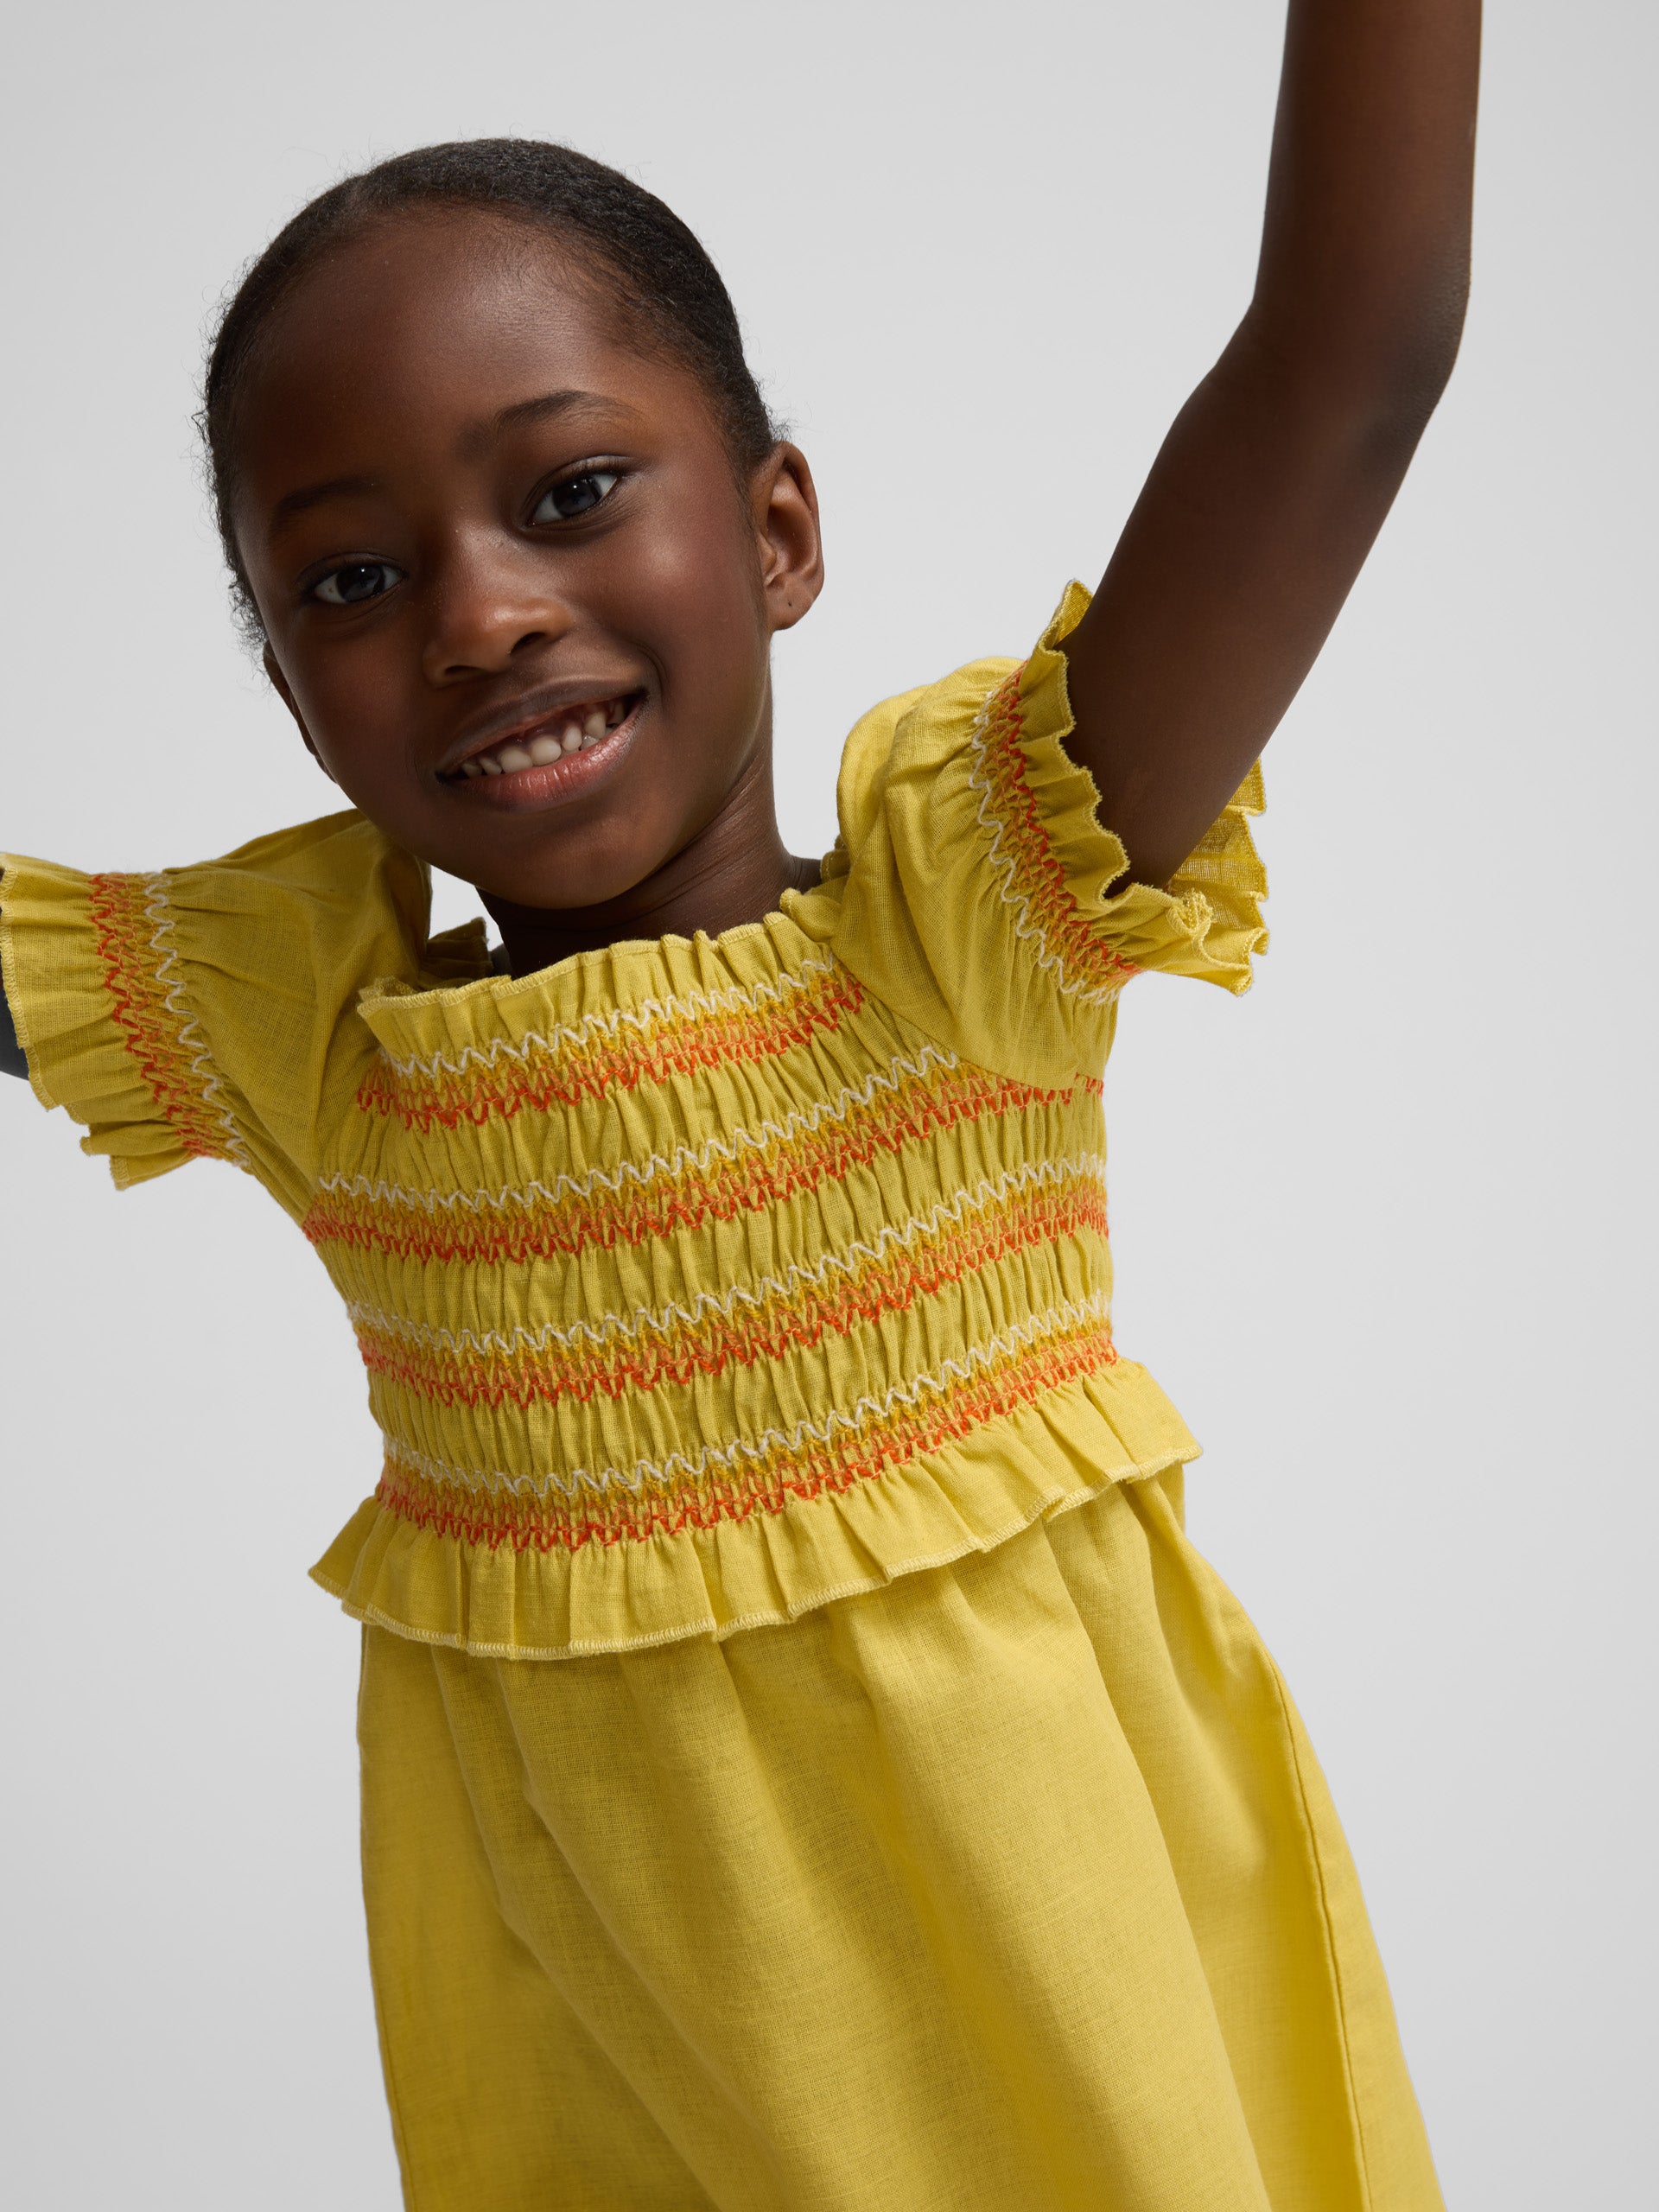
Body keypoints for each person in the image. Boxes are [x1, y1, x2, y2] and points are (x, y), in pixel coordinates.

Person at [0, 3, 1479, 2204]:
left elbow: (1351, 360)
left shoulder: (970, 922)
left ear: (779, 527)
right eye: (351, 579)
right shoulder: (320, 1045)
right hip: (627, 2105)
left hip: (1073, 2076)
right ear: (295, 692)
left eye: (571, 492)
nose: (481, 615)